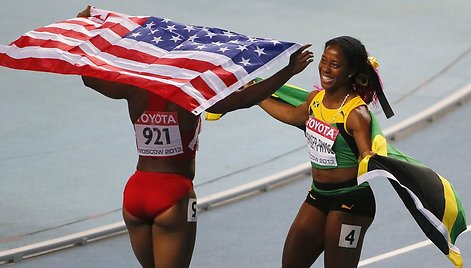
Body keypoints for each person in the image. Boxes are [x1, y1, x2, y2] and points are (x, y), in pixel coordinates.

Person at [77, 6, 313, 268]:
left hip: (136, 191)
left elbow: (89, 78)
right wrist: (288, 71)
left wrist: (83, 30)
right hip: (173, 195)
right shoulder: (190, 97)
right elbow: (244, 99)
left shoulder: (135, 89)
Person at [259, 36, 385, 268]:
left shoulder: (356, 113)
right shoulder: (315, 101)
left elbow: (367, 154)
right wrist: (256, 96)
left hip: (351, 201)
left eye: (335, 65)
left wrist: (371, 158)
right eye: (324, 60)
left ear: (351, 71)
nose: (325, 69)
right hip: (318, 195)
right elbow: (290, 115)